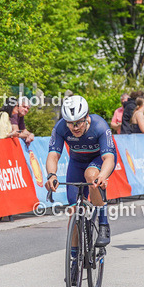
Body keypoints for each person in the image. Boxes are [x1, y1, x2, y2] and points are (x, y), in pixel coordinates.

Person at [45, 95, 116, 249]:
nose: (74, 127)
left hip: (98, 161)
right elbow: (53, 155)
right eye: (70, 123)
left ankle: (103, 223)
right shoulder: (60, 128)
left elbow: (109, 158)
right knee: (74, 211)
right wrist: (51, 175)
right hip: (77, 163)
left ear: (87, 117)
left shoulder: (99, 126)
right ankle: (74, 257)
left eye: (78, 123)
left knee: (91, 176)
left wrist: (102, 176)